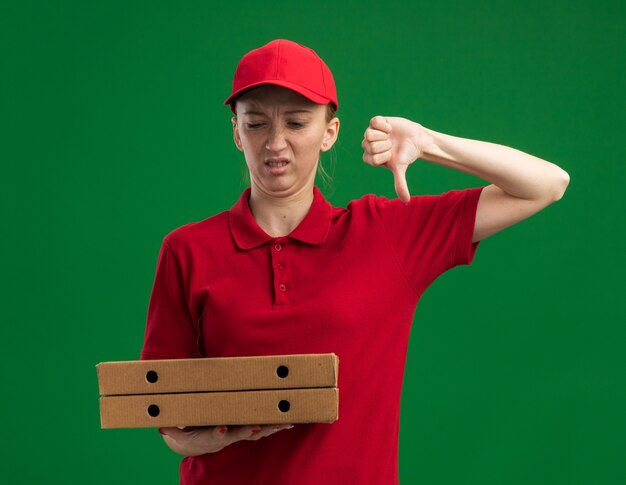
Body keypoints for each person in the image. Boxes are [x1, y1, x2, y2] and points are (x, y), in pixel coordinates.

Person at [140, 39, 570, 484]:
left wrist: (428, 143)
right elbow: (168, 418)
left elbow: (546, 184)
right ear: (236, 132)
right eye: (256, 123)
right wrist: (217, 438)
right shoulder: (186, 250)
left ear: (330, 132)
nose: (275, 142)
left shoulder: (384, 233)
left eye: (297, 122)